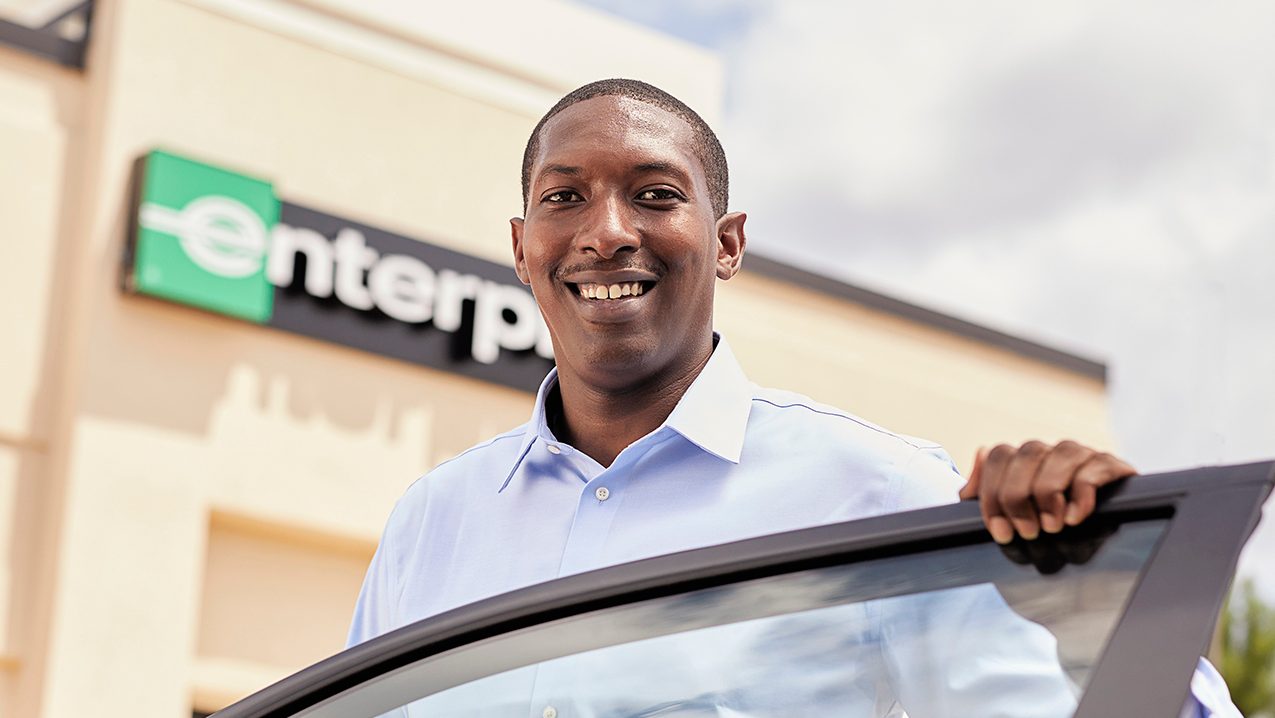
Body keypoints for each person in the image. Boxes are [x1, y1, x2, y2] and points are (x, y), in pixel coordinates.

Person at [349, 79, 1238, 717]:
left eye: (655, 195)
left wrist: (1101, 623)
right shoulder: (431, 526)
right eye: (564, 198)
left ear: (727, 242)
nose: (607, 231)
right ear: (520, 245)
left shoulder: (874, 493)